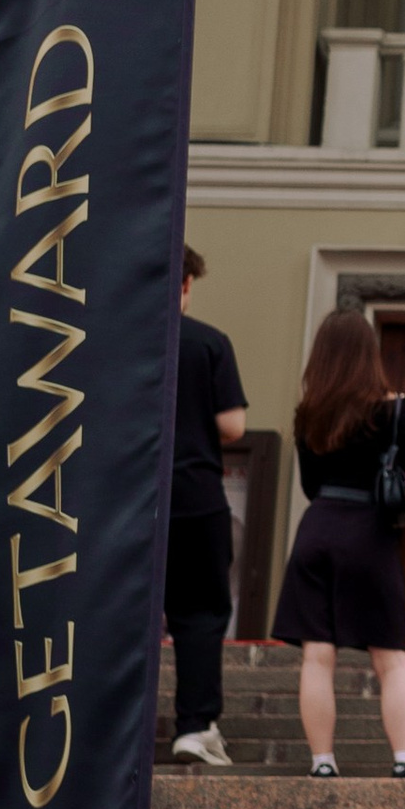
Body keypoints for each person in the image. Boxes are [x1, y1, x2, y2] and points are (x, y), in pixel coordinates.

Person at [269, 308, 405, 777]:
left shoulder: (309, 413)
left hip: (317, 530)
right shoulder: (397, 408)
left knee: (318, 656)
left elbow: (310, 485)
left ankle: (322, 762)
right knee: (390, 657)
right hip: (370, 534)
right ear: (369, 354)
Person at [165, 246, 249, 770]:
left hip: (131, 500)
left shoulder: (118, 341)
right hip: (195, 498)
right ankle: (195, 726)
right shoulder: (209, 342)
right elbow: (234, 426)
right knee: (198, 614)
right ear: (186, 285)